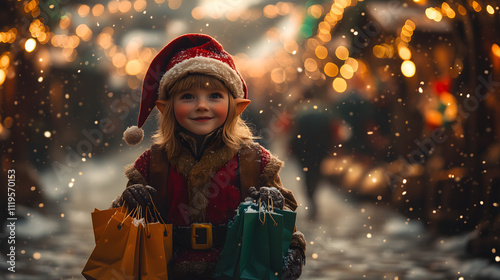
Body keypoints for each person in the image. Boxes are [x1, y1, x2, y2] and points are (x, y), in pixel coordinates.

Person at [111, 34, 306, 280]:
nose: (202, 105)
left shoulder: (253, 161)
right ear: (166, 107)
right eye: (188, 97)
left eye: (215, 96)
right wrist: (128, 203)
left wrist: (275, 201)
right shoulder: (153, 163)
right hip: (168, 271)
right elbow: (124, 225)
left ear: (235, 106)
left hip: (237, 269)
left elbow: (286, 219)